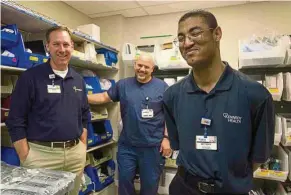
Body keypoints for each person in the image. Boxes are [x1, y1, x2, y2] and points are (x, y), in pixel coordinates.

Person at [163, 10, 275, 195]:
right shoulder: (172, 95)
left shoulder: (255, 95)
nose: (187, 43)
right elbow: (179, 146)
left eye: (195, 33)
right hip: (184, 188)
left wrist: (228, 178)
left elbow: (258, 157)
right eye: (181, 38)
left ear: (217, 34)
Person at [6, 26, 89, 195]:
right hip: (40, 157)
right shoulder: (30, 78)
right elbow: (15, 119)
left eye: (66, 44)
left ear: (72, 46)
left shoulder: (78, 81)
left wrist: (82, 146)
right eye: (56, 44)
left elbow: (85, 114)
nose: (62, 49)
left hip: (74, 155)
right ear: (47, 47)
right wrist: (26, 156)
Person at [87, 53, 171, 195]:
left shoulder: (162, 87)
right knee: (124, 184)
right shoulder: (123, 85)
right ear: (135, 64)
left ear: (152, 69)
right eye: (139, 65)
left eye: (146, 67)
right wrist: (80, 96)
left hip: (152, 147)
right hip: (128, 146)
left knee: (150, 186)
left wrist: (166, 138)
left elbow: (170, 114)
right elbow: (103, 97)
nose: (142, 69)